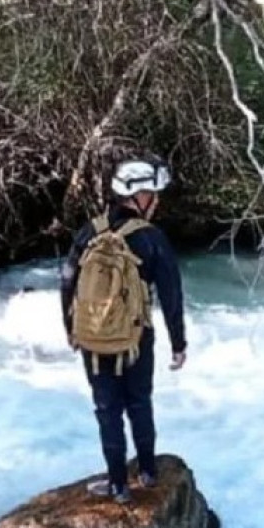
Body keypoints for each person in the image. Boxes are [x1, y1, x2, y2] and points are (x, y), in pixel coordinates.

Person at [60, 158, 187, 502]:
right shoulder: (151, 238)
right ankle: (147, 472)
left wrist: (71, 328)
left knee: (107, 410)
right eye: (153, 194)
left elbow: (68, 282)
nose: (156, 201)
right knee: (139, 402)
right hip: (135, 337)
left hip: (93, 337)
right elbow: (171, 294)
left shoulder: (90, 232)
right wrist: (179, 343)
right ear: (139, 195)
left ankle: (118, 485)